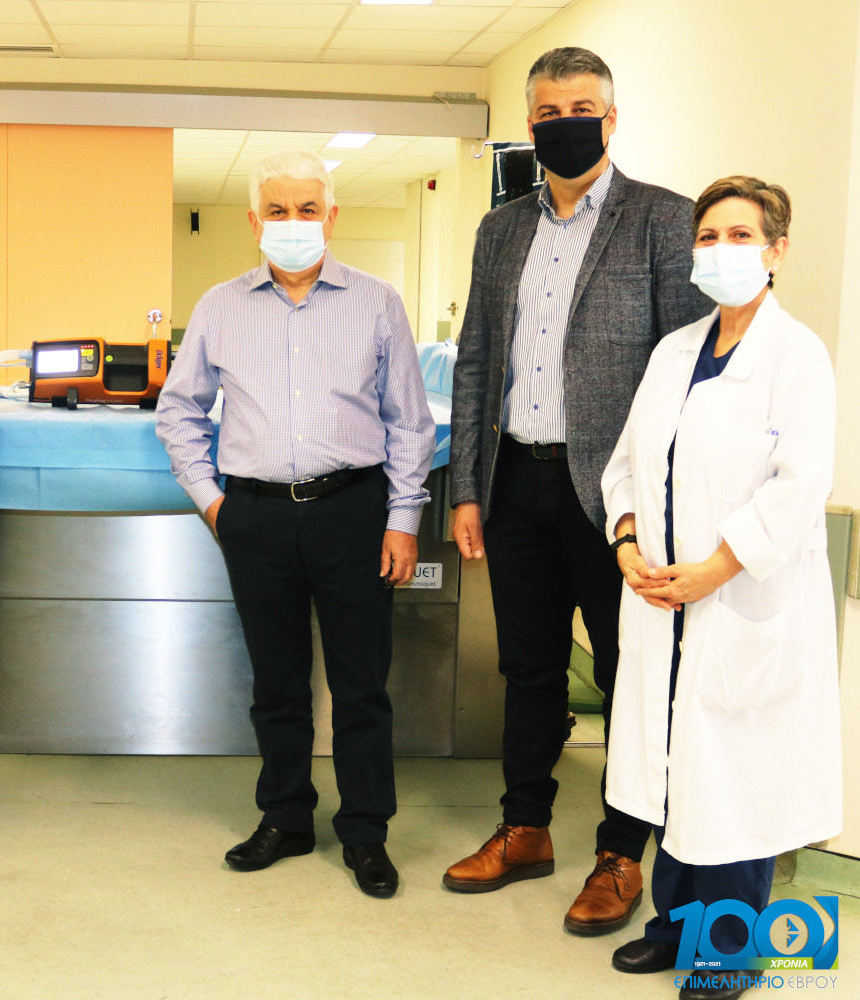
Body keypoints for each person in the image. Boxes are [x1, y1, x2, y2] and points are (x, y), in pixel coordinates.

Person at [446, 46, 711, 933]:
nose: (568, 124)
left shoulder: (663, 221)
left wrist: (665, 502)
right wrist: (467, 488)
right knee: (526, 666)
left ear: (611, 117)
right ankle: (524, 829)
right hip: (515, 479)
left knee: (629, 670)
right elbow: (476, 359)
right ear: (531, 124)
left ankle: (620, 853)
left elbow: (687, 371)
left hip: (616, 495)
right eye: (551, 112)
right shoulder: (500, 230)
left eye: (584, 108)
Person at [155, 150, 435, 899]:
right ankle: (286, 816)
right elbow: (178, 412)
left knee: (360, 686)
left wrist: (403, 518)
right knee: (276, 684)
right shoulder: (221, 306)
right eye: (277, 210)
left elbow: (410, 422)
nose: (292, 222)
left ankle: (366, 830)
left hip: (354, 512)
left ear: (331, 217)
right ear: (254, 222)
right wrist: (213, 502)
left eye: (307, 209)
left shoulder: (376, 303)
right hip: (256, 517)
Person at [602, 177, 840, 1000]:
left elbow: (797, 487)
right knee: (674, 770)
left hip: (739, 604)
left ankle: (729, 950)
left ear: (777, 251)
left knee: (736, 780)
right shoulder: (674, 352)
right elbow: (627, 465)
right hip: (662, 602)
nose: (720, 250)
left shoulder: (798, 357)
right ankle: (672, 927)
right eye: (708, 236)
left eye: (740, 235)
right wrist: (627, 543)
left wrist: (714, 569)